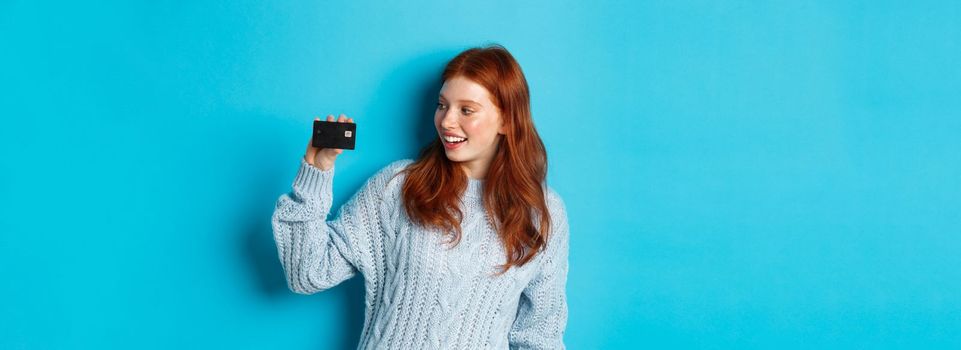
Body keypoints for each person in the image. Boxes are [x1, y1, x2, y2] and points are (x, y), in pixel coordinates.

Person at [271, 44, 570, 349]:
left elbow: (540, 335)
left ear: (507, 120)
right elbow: (306, 272)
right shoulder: (398, 186)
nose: (447, 121)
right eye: (442, 105)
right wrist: (317, 171)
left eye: (466, 110)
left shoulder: (544, 212)